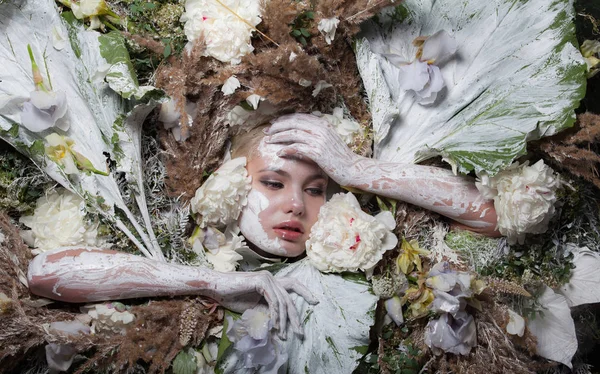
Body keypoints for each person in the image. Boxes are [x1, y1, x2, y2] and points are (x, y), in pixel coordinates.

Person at [27, 113, 499, 336]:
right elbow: (43, 273)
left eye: (316, 189)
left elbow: (493, 217)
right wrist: (213, 282)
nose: (295, 204)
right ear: (232, 184)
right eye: (273, 183)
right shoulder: (192, 246)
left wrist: (358, 171)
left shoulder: (374, 268)